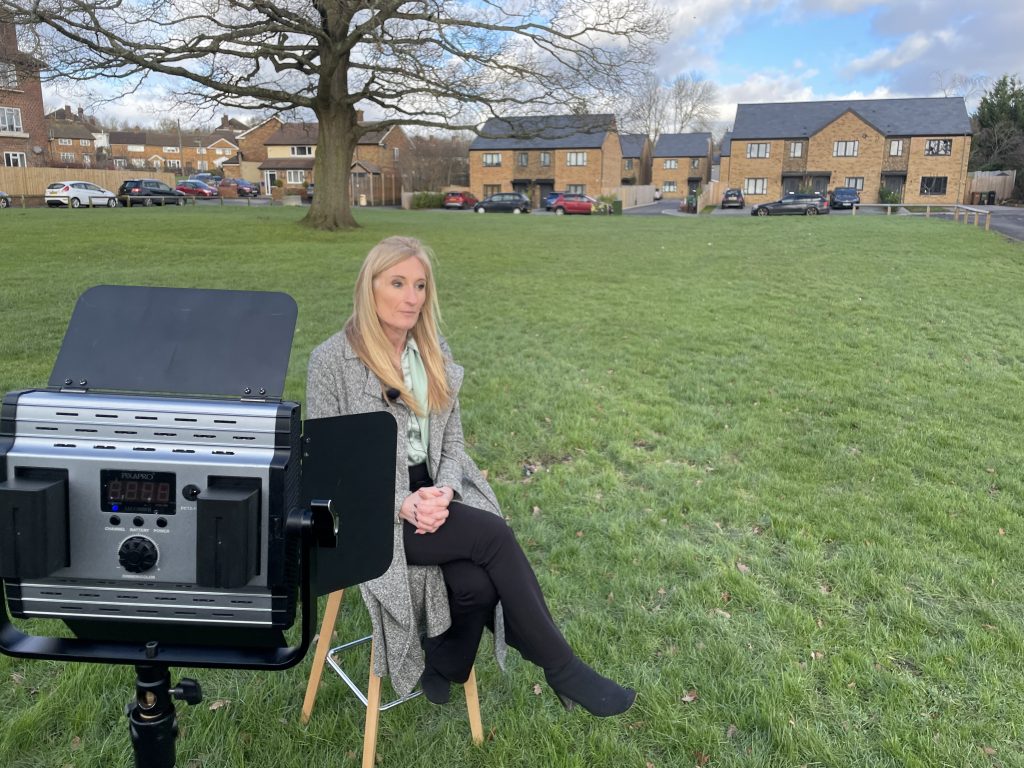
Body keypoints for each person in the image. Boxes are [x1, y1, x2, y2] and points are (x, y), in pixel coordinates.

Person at [306, 235, 635, 717]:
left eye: (419, 285)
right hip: (365, 512)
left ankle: (448, 660)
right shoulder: (331, 361)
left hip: (434, 489)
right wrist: (401, 502)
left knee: (477, 587)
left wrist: (446, 489)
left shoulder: (431, 347)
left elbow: (453, 439)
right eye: (397, 283)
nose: (411, 297)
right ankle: (563, 668)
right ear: (369, 287)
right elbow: (328, 468)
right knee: (493, 537)